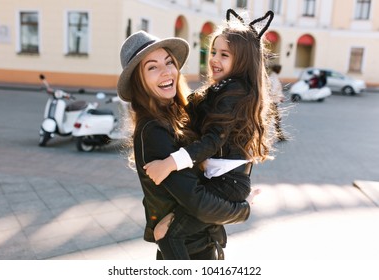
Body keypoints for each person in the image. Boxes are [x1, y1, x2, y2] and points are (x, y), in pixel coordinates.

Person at [144, 10, 275, 259]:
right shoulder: (221, 89)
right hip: (222, 181)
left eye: (224, 55)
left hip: (226, 184)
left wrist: (170, 163)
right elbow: (189, 105)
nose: (214, 59)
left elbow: (213, 139)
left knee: (168, 233)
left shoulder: (235, 92)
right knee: (172, 230)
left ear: (243, 61)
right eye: (213, 52)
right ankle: (216, 235)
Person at [117, 30, 253, 260]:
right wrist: (243, 209)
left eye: (169, 62)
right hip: (188, 254)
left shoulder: (179, 113)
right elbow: (199, 203)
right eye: (152, 67)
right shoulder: (154, 130)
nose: (166, 71)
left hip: (203, 246)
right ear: (138, 82)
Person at [269, 64, 287, 141]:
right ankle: (280, 136)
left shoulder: (273, 77)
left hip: (272, 101)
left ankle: (280, 136)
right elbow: (273, 91)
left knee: (275, 119)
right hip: (272, 102)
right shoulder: (274, 78)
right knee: (276, 119)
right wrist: (279, 96)